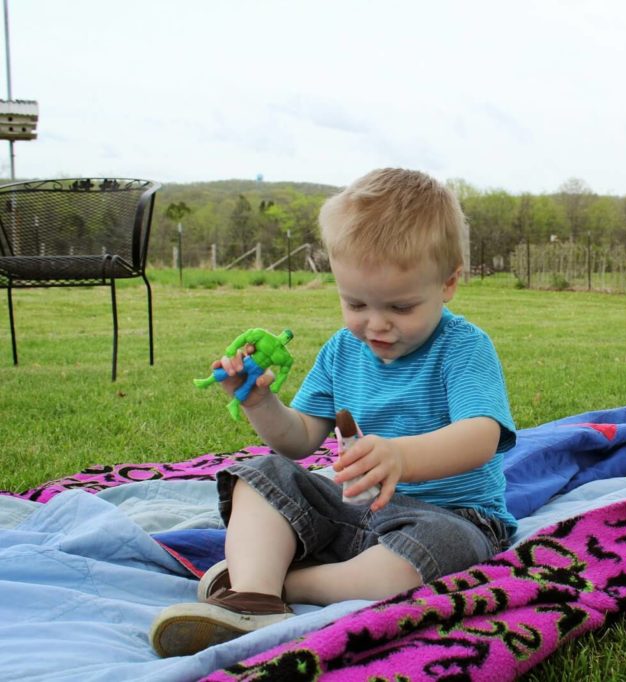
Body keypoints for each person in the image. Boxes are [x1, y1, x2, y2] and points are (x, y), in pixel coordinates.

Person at [150, 168, 517, 658]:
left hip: (450, 516)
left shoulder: (463, 348)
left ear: (448, 284)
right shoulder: (343, 351)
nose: (376, 324)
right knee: (259, 475)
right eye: (356, 303)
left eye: (401, 307)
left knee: (432, 553)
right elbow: (299, 440)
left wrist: (401, 458)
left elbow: (481, 436)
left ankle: (290, 583)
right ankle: (253, 599)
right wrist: (259, 402)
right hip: (355, 509)